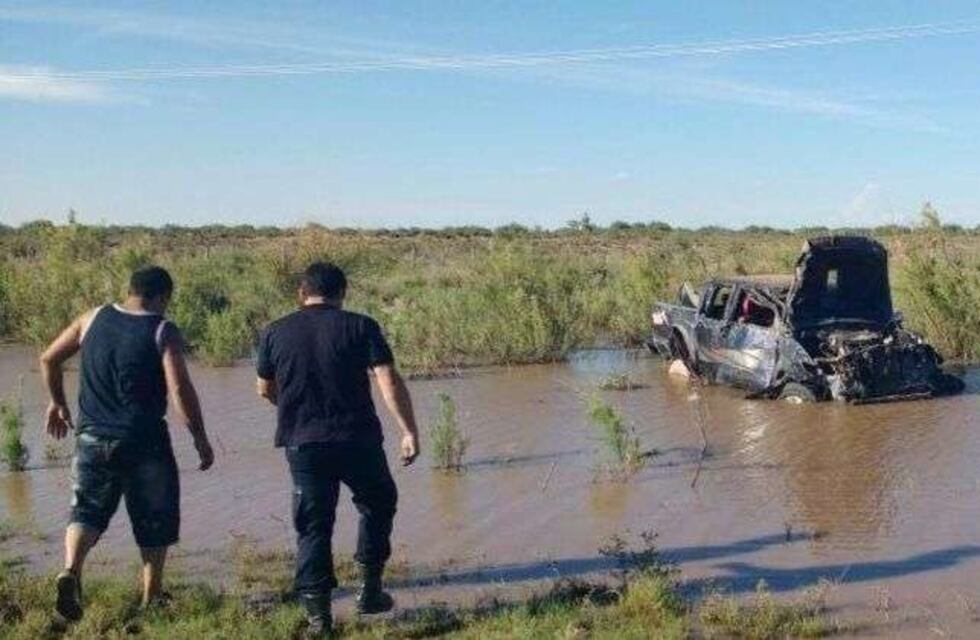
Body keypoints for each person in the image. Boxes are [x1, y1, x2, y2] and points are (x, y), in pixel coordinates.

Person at [39, 266, 214, 622]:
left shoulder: (92, 318)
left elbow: (49, 357)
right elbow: (180, 388)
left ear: (130, 290)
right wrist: (199, 437)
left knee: (86, 510)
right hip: (143, 440)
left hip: (90, 436)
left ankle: (71, 571)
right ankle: (151, 599)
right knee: (154, 518)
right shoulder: (162, 329)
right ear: (162, 297)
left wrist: (58, 401)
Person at [256, 261, 420, 636]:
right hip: (358, 439)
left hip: (303, 444)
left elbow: (264, 388)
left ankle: (319, 619)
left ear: (301, 293)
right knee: (378, 502)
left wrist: (295, 410)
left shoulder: (275, 331)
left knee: (313, 527)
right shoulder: (361, 326)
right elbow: (387, 380)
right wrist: (408, 430)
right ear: (342, 293)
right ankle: (370, 590)